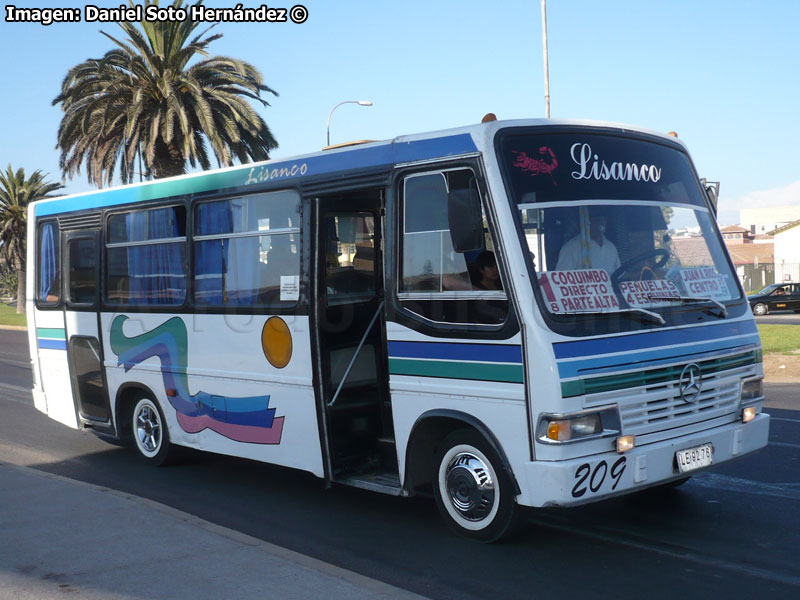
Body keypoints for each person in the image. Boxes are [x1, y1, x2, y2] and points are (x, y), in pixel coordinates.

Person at [555, 212, 621, 274]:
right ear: (585, 223)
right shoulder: (571, 247)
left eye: (602, 220)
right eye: (595, 220)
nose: (600, 223)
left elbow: (619, 274)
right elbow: (562, 278)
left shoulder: (611, 247)